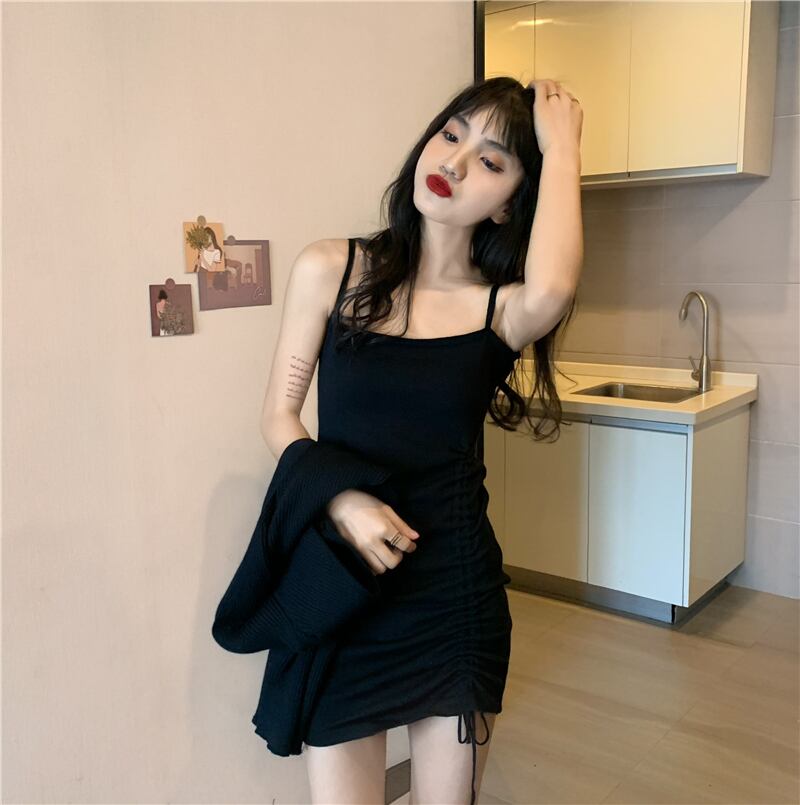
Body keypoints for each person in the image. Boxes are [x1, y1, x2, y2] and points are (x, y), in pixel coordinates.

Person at [260, 76, 584, 804]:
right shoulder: (331, 270)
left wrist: (562, 147)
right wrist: (341, 499)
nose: (456, 162)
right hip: (345, 586)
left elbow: (555, 288)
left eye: (492, 161)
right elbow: (279, 417)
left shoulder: (500, 310)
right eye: (451, 134)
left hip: (453, 594)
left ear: (509, 203)